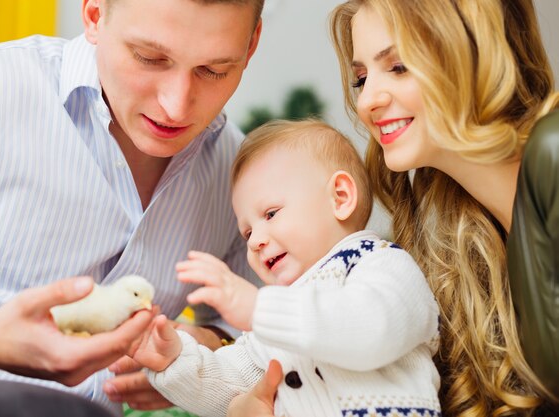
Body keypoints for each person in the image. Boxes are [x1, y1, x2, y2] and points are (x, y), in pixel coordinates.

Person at [228, 1, 559, 417]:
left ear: (472, 52)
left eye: (399, 67)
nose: (367, 101)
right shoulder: (451, 236)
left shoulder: (553, 153)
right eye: (361, 79)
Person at [0, 0, 264, 415]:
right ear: (93, 15)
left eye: (214, 70)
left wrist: (201, 356)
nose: (177, 105)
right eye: (149, 58)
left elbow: (264, 325)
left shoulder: (242, 173)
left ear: (251, 45)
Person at [131, 119, 442, 417]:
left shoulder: (382, 263)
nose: (255, 242)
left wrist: (258, 310)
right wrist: (174, 361)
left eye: (270, 214)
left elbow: (374, 328)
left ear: (340, 197)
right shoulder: (273, 320)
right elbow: (230, 387)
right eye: (247, 232)